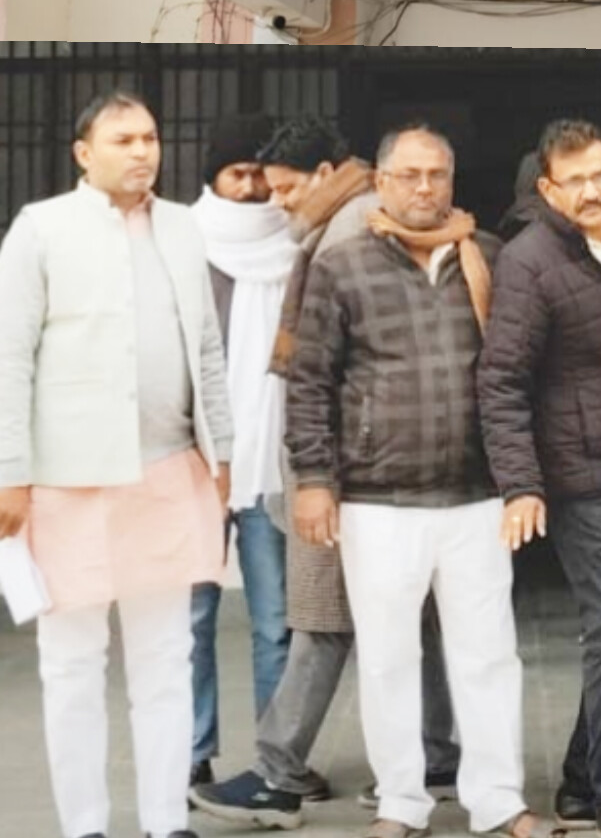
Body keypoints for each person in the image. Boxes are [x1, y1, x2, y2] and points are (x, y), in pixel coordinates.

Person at [192, 116, 458, 829]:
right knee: (411, 615)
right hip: (370, 464)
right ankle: (436, 756)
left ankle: (278, 771)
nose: (276, 202)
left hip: (343, 469)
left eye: (285, 189)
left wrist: (317, 474)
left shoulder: (344, 232)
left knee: (321, 619)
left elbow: (327, 369)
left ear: (321, 175)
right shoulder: (342, 221)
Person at [284, 124, 548, 838]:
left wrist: (521, 479)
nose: (425, 187)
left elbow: (516, 374)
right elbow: (309, 383)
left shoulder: (485, 256)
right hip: (378, 500)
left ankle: (498, 798)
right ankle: (401, 801)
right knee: (388, 658)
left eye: (437, 174)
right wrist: (313, 478)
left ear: (452, 181)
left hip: (476, 496)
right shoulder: (342, 267)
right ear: (382, 182)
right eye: (409, 174)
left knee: (489, 654)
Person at [0, 89, 233, 838]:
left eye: (149, 137)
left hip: (169, 469)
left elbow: (206, 349)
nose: (142, 151)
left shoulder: (183, 227)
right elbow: (7, 355)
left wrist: (222, 451)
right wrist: (12, 472)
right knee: (71, 665)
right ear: (83, 153)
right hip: (68, 482)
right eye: (123, 140)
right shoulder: (41, 228)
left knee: (166, 658)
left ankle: (165, 821)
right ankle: (84, 826)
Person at [479, 120, 601, 838]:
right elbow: (501, 380)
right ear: (547, 188)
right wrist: (521, 484)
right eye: (575, 180)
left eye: (600, 174)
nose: (591, 190)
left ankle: (582, 782)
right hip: (580, 475)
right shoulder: (528, 261)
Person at [187, 115, 297, 787]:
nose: (253, 187)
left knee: (275, 621)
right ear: (214, 177)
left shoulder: (295, 243)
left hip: (271, 460)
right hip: (198, 461)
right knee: (191, 617)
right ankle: (192, 752)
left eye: (260, 174)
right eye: (238, 174)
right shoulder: (185, 243)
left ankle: (275, 762)